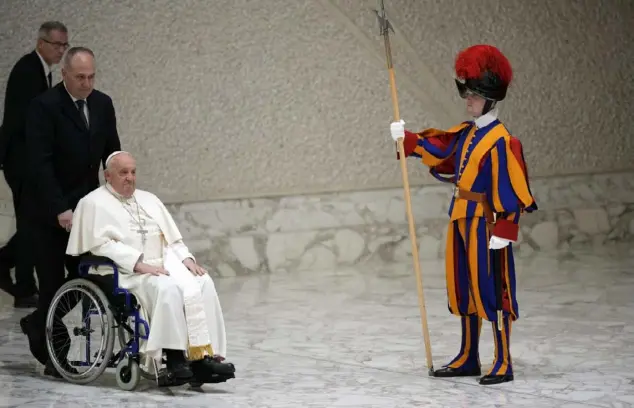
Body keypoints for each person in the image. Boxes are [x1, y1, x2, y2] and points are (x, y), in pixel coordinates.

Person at [389, 44, 537, 385]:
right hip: (460, 219)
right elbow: (440, 151)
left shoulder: (503, 141)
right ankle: (469, 355)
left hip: (487, 224)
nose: (467, 100)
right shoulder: (468, 133)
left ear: (489, 97)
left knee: (494, 290)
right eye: (466, 92)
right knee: (464, 288)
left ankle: (502, 360)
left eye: (473, 94)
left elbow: (514, 192)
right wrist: (408, 139)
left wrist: (506, 230)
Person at [66, 151, 236, 382]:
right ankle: (175, 360)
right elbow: (101, 246)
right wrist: (137, 263)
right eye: (123, 172)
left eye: (133, 172)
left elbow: (172, 239)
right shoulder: (92, 203)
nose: (130, 178)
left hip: (161, 264)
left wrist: (186, 259)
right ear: (107, 175)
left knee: (202, 281)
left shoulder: (149, 199)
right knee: (166, 288)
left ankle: (204, 357)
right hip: (121, 271)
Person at [19, 46, 122, 377]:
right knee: (51, 285)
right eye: (80, 77)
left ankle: (38, 322)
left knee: (89, 275)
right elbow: (39, 164)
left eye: (91, 77)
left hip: (86, 209)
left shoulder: (102, 104)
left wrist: (121, 191)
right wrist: (60, 208)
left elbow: (112, 153)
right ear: (64, 74)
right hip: (49, 212)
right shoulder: (44, 107)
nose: (87, 84)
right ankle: (55, 357)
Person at [0, 21, 69, 308]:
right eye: (57, 45)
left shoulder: (40, 71)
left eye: (64, 45)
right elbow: (26, 123)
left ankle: (25, 287)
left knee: (31, 222)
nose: (61, 50)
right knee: (32, 223)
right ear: (41, 43)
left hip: (26, 162)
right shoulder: (28, 71)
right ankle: (8, 268)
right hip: (22, 163)